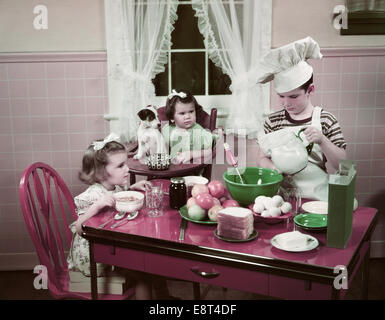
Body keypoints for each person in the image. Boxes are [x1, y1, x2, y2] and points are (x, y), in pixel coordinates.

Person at [256, 37, 347, 201]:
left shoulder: (326, 119)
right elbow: (262, 158)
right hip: (282, 198)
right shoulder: (273, 122)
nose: (286, 103)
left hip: (317, 199)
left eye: (293, 96)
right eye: (281, 96)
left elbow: (342, 165)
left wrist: (322, 140)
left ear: (310, 90)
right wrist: (274, 168)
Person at [67, 133, 152, 299]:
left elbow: (116, 199)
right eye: (120, 166)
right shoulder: (92, 196)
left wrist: (133, 188)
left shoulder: (114, 187)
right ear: (100, 173)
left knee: (148, 263)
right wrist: (96, 206)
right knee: (144, 273)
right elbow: (79, 227)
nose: (127, 169)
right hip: (93, 258)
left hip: (108, 246)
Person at [162, 89, 215, 164]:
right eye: (182, 113)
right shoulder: (168, 129)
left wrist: (191, 154)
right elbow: (162, 148)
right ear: (172, 117)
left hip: (192, 169)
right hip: (171, 169)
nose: (187, 116)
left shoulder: (198, 130)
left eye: (191, 111)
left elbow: (209, 151)